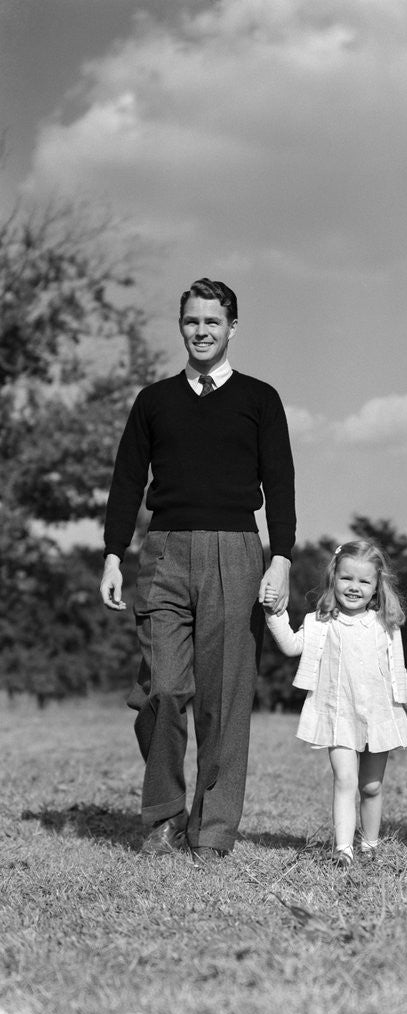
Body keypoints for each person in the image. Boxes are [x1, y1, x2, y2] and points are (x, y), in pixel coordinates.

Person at [100, 278, 295, 865]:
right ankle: (162, 815)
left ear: (232, 327)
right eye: (191, 321)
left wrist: (280, 557)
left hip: (236, 551)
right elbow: (127, 479)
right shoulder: (154, 400)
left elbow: (280, 482)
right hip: (162, 551)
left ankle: (211, 831)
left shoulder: (260, 398)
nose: (201, 331)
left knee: (224, 698)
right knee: (161, 688)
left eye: (212, 322)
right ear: (180, 326)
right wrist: (113, 552)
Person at [264, 540, 407, 867]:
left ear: (376, 586)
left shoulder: (385, 624)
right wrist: (275, 613)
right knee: (344, 780)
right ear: (333, 578)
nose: (354, 587)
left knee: (370, 786)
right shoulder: (320, 621)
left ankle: (369, 844)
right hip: (337, 714)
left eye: (364, 581)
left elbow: (399, 672)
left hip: (378, 715)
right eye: (346, 578)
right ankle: (343, 849)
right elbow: (290, 646)